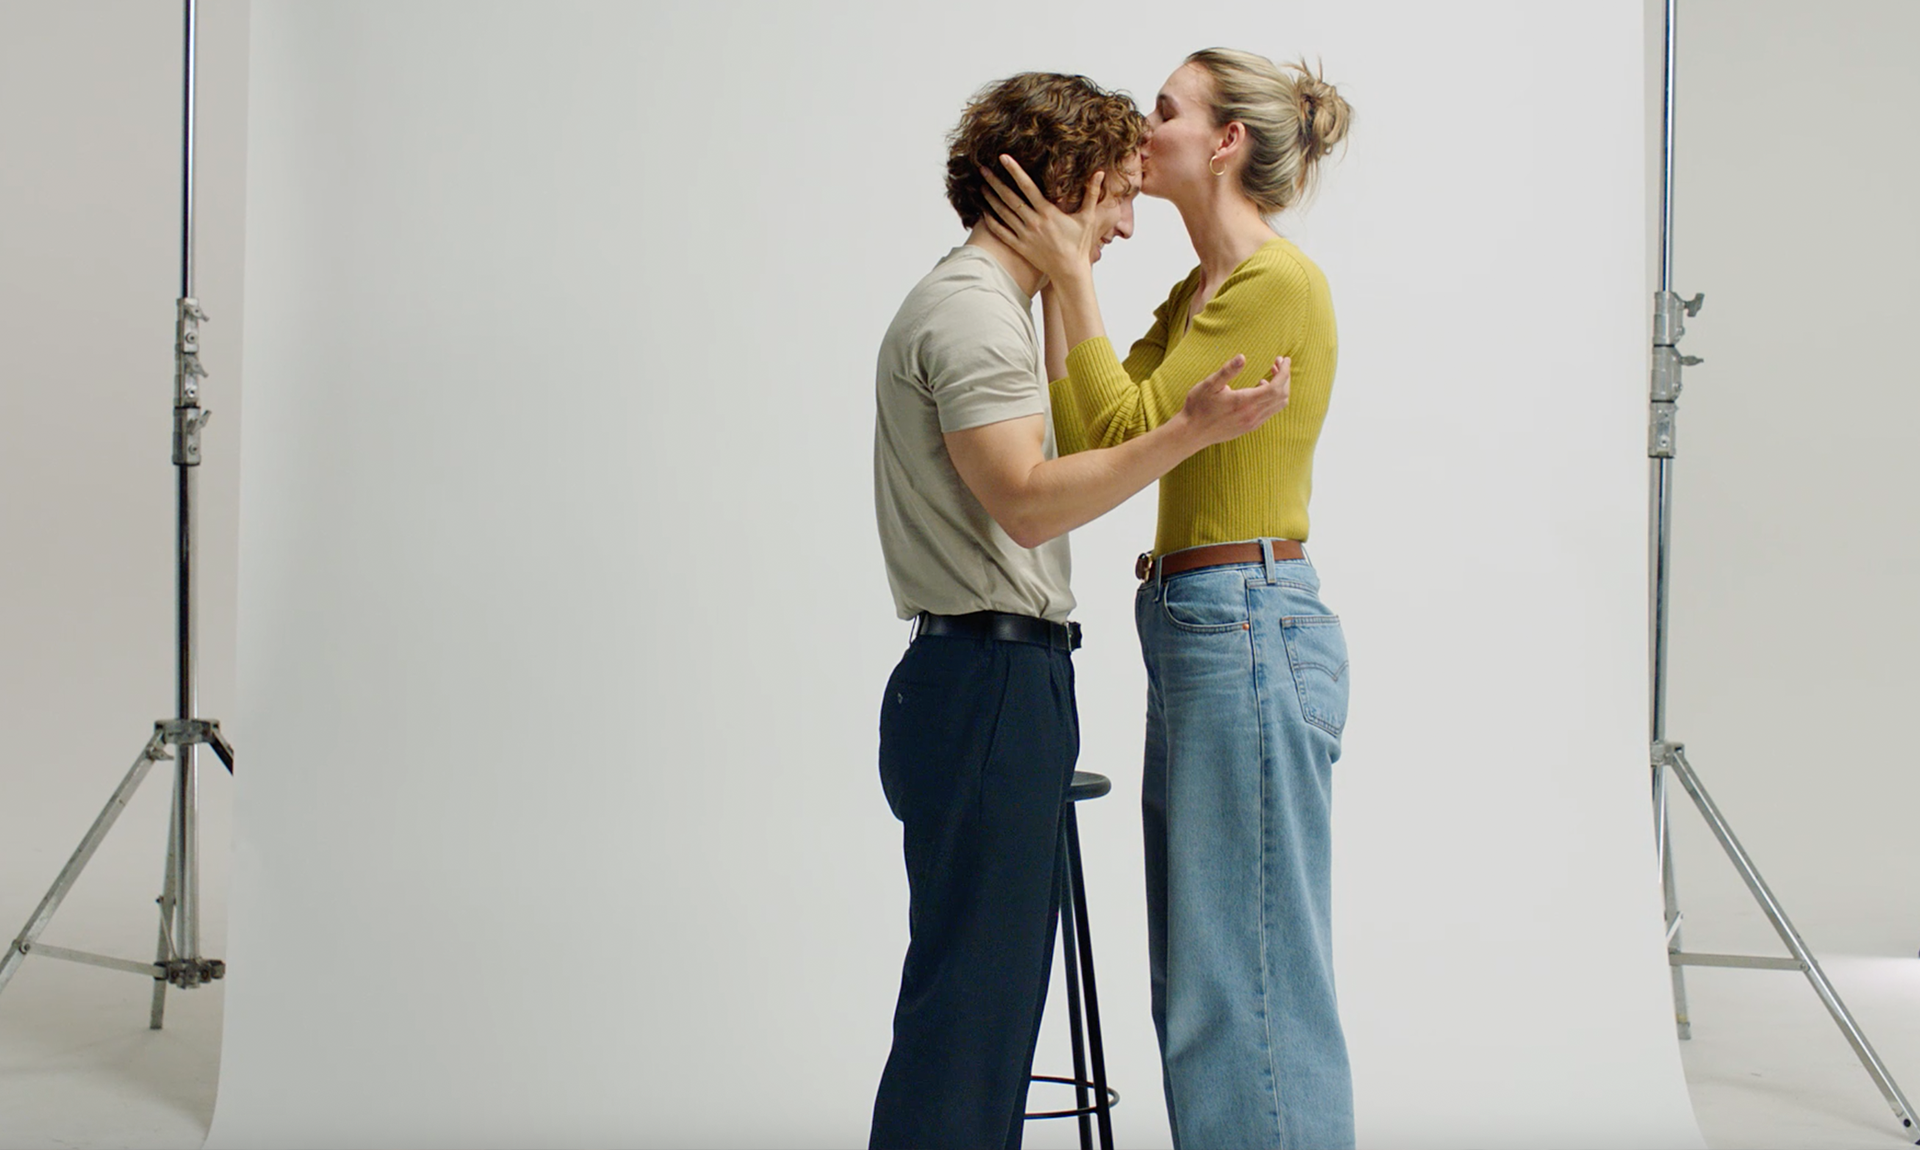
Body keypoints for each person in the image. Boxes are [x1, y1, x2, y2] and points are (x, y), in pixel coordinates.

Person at [870, 70, 1293, 1150]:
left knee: (981, 1018)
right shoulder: (973, 313)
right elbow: (1024, 501)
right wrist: (1191, 432)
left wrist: (1068, 285)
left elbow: (1089, 431)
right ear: (1061, 185)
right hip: (986, 683)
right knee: (971, 1027)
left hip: (994, 679)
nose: (1127, 226)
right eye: (1115, 196)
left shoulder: (995, 307)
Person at [980, 49, 1357, 1150]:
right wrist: (1067, 272)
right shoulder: (1200, 294)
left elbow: (1132, 422)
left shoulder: (1275, 285)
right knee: (1206, 984)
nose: (1143, 132)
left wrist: (1071, 274)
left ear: (1225, 141)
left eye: (1165, 111)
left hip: (1247, 623)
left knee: (1246, 986)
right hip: (1205, 627)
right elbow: (1097, 436)